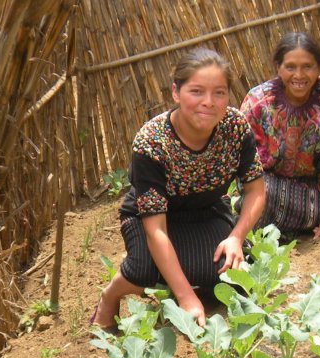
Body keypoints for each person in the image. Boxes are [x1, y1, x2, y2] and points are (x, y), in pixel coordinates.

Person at [92, 48, 265, 329]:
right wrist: (187, 299)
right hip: (150, 218)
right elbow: (156, 229)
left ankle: (180, 274)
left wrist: (236, 236)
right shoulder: (152, 141)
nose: (208, 102)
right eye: (196, 91)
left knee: (229, 275)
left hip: (205, 212)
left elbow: (256, 190)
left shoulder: (235, 127)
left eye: (219, 93)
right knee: (143, 271)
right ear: (176, 92)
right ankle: (110, 294)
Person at [240, 31, 320, 239]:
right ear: (278, 68)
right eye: (290, 67)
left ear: (319, 68)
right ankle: (263, 230)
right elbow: (244, 165)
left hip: (307, 191)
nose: (299, 75)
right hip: (263, 184)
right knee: (262, 196)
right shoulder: (258, 102)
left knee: (314, 214)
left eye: (307, 67)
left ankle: (271, 230)